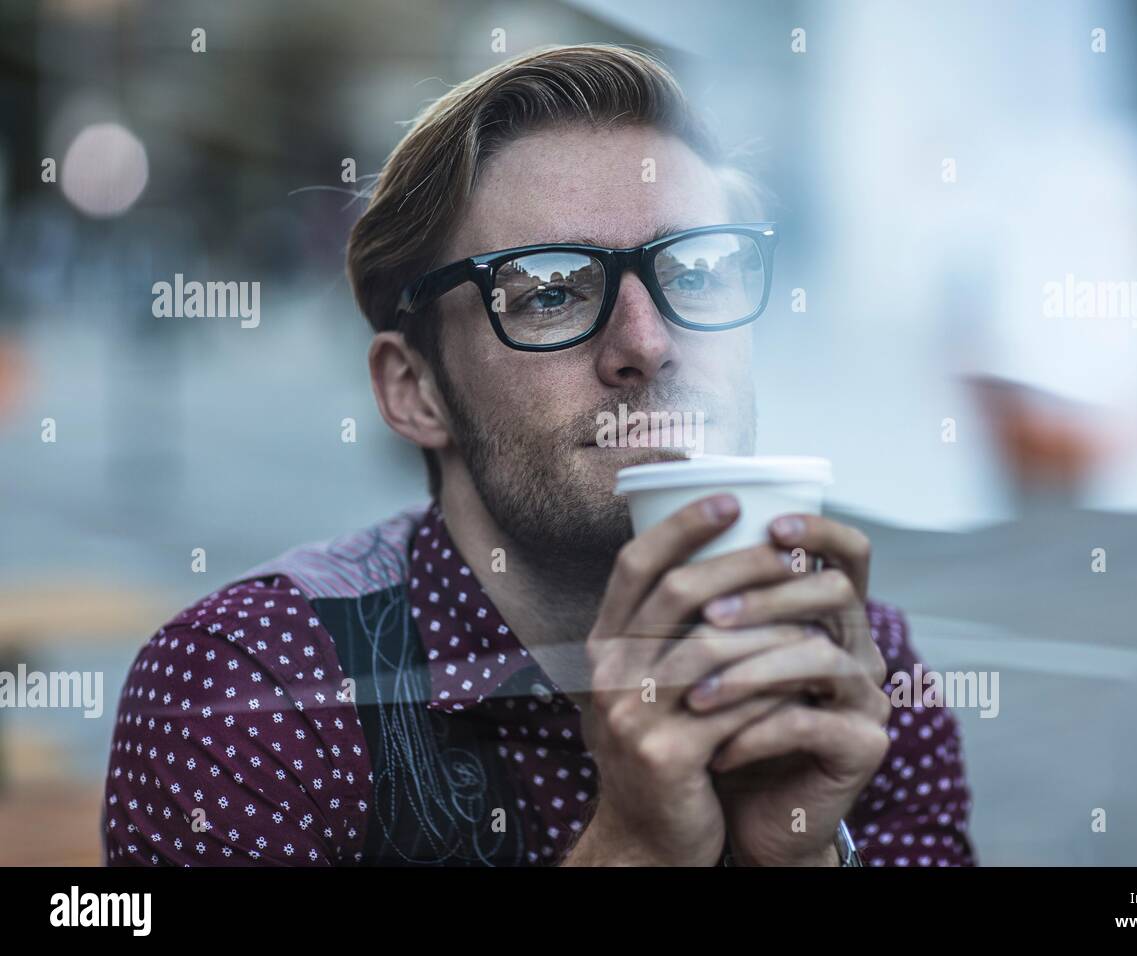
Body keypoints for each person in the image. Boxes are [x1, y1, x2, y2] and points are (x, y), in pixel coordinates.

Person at [102, 43, 975, 867]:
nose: (649, 342)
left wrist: (803, 853)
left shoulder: (851, 665)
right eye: (550, 290)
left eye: (698, 272)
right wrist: (631, 847)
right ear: (416, 390)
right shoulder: (252, 690)